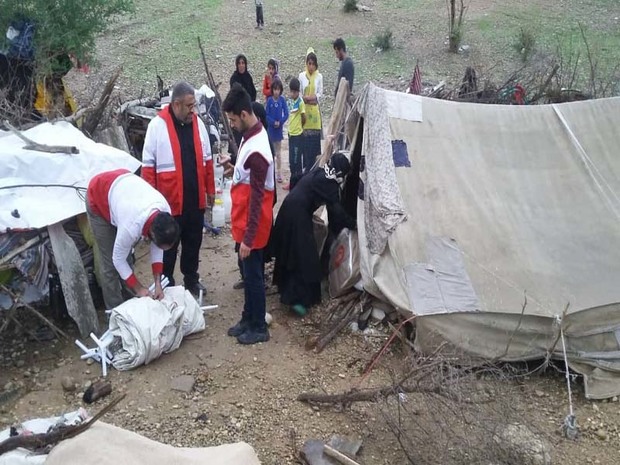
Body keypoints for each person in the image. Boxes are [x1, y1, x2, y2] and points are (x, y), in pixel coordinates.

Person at [142, 81, 215, 296]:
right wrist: (150, 206)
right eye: (189, 106)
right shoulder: (157, 127)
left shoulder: (198, 124)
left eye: (194, 106)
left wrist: (210, 190)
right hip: (169, 203)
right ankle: (167, 283)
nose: (193, 110)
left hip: (194, 200)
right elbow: (147, 169)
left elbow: (208, 160)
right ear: (176, 104)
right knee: (168, 249)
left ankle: (191, 279)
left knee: (193, 243)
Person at [222, 83, 275, 344]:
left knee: (253, 276)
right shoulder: (249, 135)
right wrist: (234, 169)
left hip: (254, 225)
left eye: (232, 119)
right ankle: (247, 317)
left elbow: (257, 199)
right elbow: (248, 179)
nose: (231, 124)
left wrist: (248, 239)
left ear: (244, 114)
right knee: (247, 270)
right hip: (244, 223)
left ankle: (259, 327)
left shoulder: (258, 151)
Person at [272, 152, 355, 316]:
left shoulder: (321, 172)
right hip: (298, 215)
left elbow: (296, 178)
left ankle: (285, 288)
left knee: (292, 252)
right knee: (304, 257)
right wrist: (354, 224)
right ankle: (298, 301)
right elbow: (336, 211)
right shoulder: (329, 183)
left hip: (289, 208)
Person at [86, 169, 180, 310]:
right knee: (110, 266)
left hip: (124, 190)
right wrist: (139, 288)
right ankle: (116, 313)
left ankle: (131, 303)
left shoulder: (164, 211)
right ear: (152, 235)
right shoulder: (131, 227)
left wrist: (158, 283)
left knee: (128, 259)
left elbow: (158, 248)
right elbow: (118, 259)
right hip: (99, 196)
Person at [298, 48, 323, 174]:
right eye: (309, 63)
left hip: (315, 117)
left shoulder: (319, 77)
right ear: (306, 63)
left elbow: (319, 96)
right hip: (304, 114)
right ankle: (305, 171)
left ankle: (314, 171)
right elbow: (301, 96)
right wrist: (309, 98)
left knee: (314, 146)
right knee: (305, 146)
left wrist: (310, 98)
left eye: (313, 64)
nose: (311, 66)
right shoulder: (302, 76)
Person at [265, 79, 289, 183]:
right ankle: (270, 173)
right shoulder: (269, 101)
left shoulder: (282, 100)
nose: (276, 92)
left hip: (278, 130)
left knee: (278, 153)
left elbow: (286, 113)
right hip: (271, 130)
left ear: (281, 90)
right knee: (271, 153)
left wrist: (281, 122)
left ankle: (279, 173)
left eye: (278, 89)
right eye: (275, 89)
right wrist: (272, 122)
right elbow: (266, 115)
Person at [286, 77, 306, 189]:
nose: (293, 94)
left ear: (298, 91)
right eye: (291, 91)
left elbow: (304, 117)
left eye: (295, 92)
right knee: (291, 161)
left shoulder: (300, 103)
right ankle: (292, 182)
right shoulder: (290, 101)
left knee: (296, 160)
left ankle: (297, 184)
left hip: (298, 135)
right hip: (291, 134)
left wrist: (300, 127)